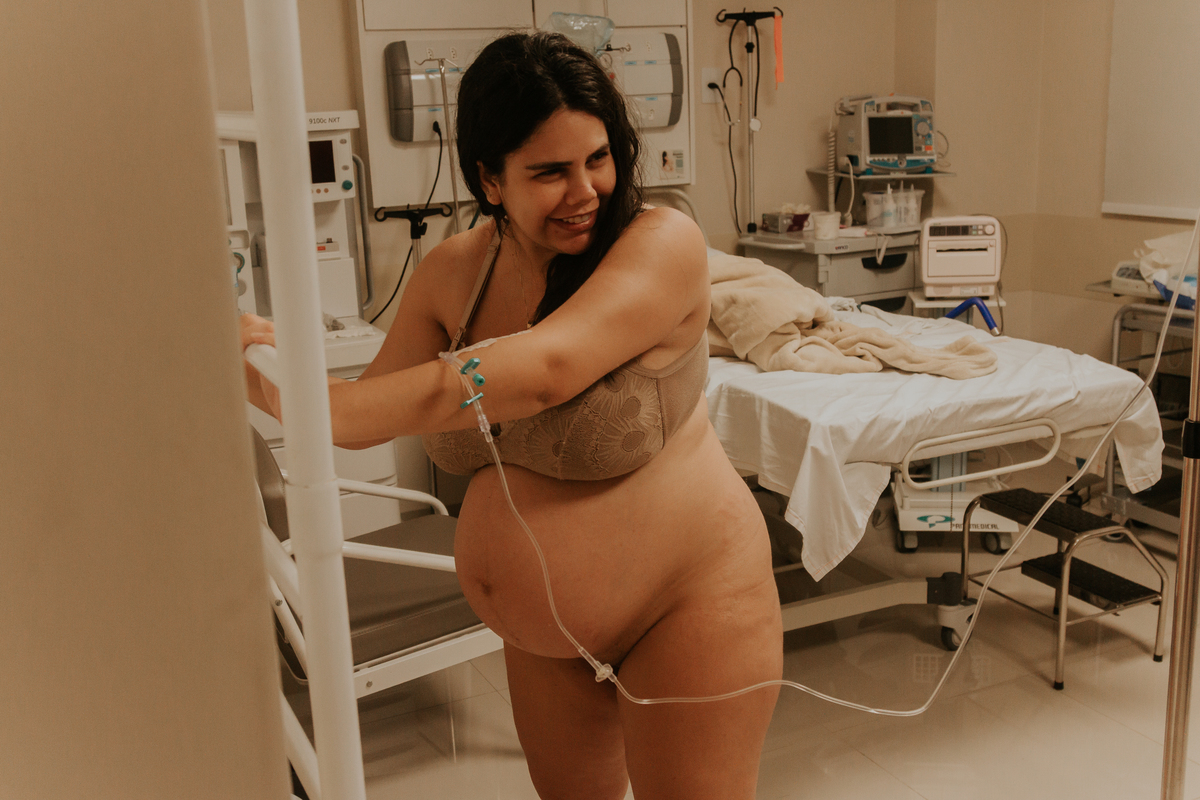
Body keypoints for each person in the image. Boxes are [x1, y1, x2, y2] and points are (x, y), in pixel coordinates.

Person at [242, 31, 782, 800]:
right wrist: (260, 361)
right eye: (550, 172)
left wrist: (307, 397)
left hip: (688, 605)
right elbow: (361, 421)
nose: (585, 190)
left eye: (598, 158)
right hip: (544, 636)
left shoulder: (660, 243)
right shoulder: (454, 273)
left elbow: (544, 372)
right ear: (491, 180)